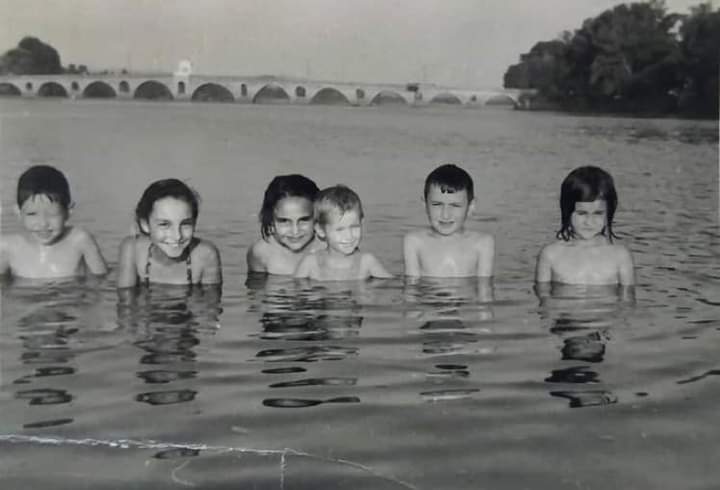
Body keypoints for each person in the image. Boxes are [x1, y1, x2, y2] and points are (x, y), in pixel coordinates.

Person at [0, 165, 108, 280]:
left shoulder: (79, 241)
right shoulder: (7, 247)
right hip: (25, 296)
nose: (43, 223)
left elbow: (101, 281)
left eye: (52, 214)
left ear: (68, 211)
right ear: (18, 212)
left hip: (69, 297)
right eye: (32, 214)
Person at [535, 165, 635, 287]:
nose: (589, 222)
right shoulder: (551, 255)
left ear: (609, 213)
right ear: (567, 211)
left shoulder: (620, 256)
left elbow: (628, 302)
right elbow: (544, 300)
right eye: (582, 213)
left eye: (598, 213)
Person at [117, 178, 222, 288]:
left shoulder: (205, 255)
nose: (177, 236)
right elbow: (125, 301)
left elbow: (210, 302)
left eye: (185, 224)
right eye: (164, 224)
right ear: (145, 225)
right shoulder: (132, 249)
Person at [403, 163, 495, 277]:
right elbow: (411, 289)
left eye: (455, 205)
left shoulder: (482, 243)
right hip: (428, 295)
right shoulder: (415, 241)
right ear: (425, 204)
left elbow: (485, 289)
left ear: (471, 207)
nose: (445, 215)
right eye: (437, 204)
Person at [294, 184, 392, 281]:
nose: (349, 236)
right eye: (340, 230)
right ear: (320, 230)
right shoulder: (311, 263)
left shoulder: (366, 262)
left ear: (362, 223)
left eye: (354, 227)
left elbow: (392, 287)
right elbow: (294, 293)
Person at [246, 174, 324, 275]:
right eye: (284, 221)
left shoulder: (328, 247)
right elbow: (255, 288)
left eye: (304, 220)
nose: (295, 231)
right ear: (271, 221)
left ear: (317, 218)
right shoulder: (261, 252)